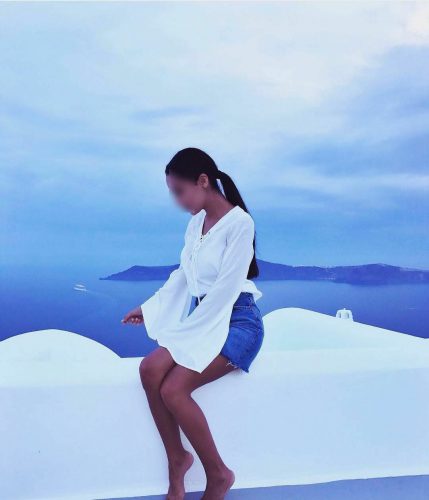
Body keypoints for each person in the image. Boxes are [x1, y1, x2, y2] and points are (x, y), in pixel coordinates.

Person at [122, 147, 264, 500]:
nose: (177, 201)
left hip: (238, 323)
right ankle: (178, 459)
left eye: (179, 191)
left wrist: (187, 333)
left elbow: (226, 291)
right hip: (206, 318)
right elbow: (184, 275)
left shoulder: (240, 223)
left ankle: (219, 474)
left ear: (203, 181)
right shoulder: (195, 223)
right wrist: (150, 308)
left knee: (173, 389)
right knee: (149, 369)